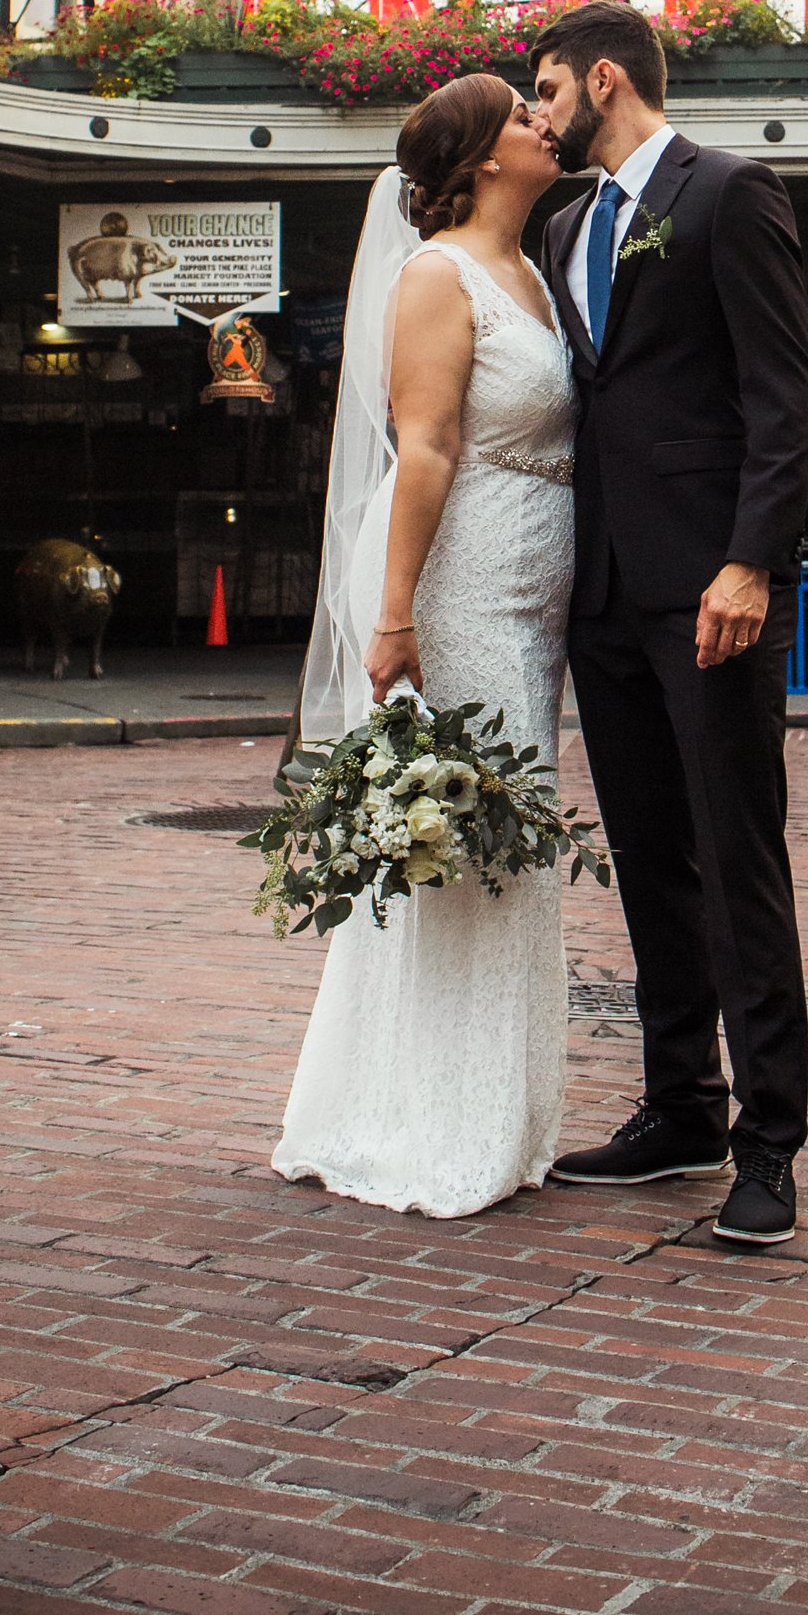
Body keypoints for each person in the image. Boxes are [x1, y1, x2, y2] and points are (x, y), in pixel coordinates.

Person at [532, 0, 808, 1247]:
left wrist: (753, 561)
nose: (535, 113)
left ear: (606, 80)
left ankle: (768, 1144)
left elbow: (783, 393)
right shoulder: (559, 229)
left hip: (708, 590)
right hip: (598, 594)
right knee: (649, 859)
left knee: (733, 854)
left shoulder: (725, 192)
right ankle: (679, 1108)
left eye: (544, 89)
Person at [272, 74, 576, 1219]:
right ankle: (440, 1124)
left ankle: (494, 1112)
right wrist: (393, 614)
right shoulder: (435, 275)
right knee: (477, 848)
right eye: (520, 113)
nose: (542, 123)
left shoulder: (530, 272)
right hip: (454, 589)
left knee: (504, 840)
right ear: (482, 157)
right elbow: (429, 445)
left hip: (526, 594)